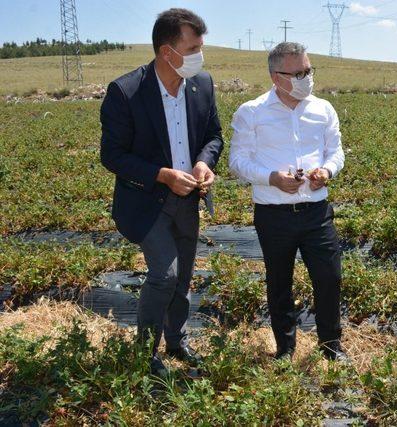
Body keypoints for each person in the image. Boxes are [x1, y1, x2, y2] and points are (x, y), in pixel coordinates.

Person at [100, 8, 224, 377]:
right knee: (165, 274)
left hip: (189, 198)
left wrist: (204, 163)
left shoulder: (202, 84)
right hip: (146, 200)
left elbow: (214, 136)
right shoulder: (126, 92)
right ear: (167, 52)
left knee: (184, 275)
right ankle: (145, 353)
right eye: (193, 47)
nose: (201, 56)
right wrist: (162, 175)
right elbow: (113, 155)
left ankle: (176, 339)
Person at [229, 42, 347, 362]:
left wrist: (327, 170)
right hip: (273, 214)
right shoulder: (252, 112)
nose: (305, 78)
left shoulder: (323, 109)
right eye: (297, 73)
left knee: (329, 277)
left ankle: (330, 346)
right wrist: (272, 177)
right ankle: (285, 348)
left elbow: (336, 152)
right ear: (275, 76)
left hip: (316, 211)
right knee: (279, 281)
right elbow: (237, 161)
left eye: (308, 71)